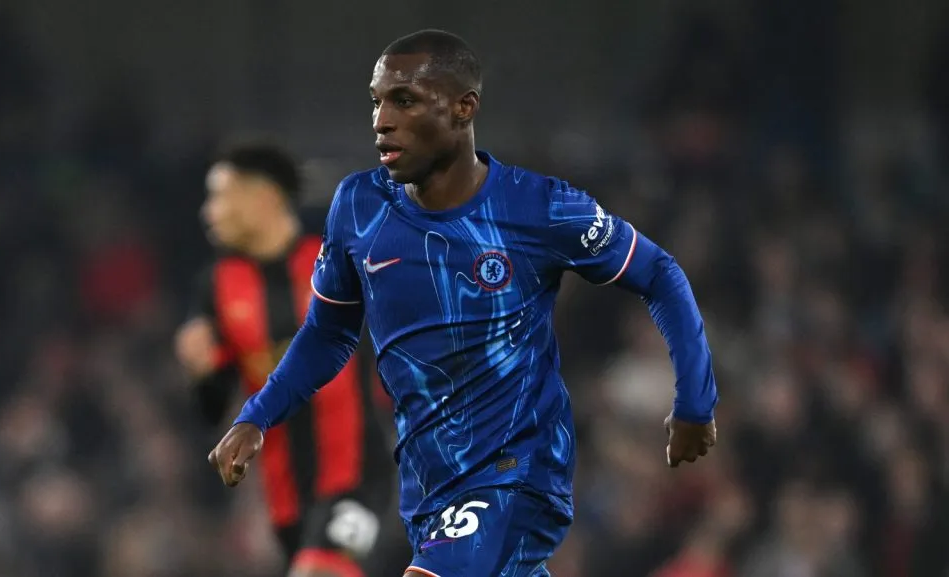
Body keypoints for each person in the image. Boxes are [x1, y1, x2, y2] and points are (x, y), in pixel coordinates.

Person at [208, 30, 719, 577]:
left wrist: (695, 402)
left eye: (404, 101)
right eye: (377, 101)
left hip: (518, 474)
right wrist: (257, 417)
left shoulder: (537, 208)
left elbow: (659, 273)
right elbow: (329, 333)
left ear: (462, 108)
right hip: (429, 488)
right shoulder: (358, 208)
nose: (382, 120)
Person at [175, 137, 395, 577]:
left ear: (264, 197)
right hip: (285, 500)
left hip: (357, 477)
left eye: (221, 196)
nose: (209, 212)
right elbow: (213, 408)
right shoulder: (217, 286)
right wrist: (200, 374)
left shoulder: (341, 259)